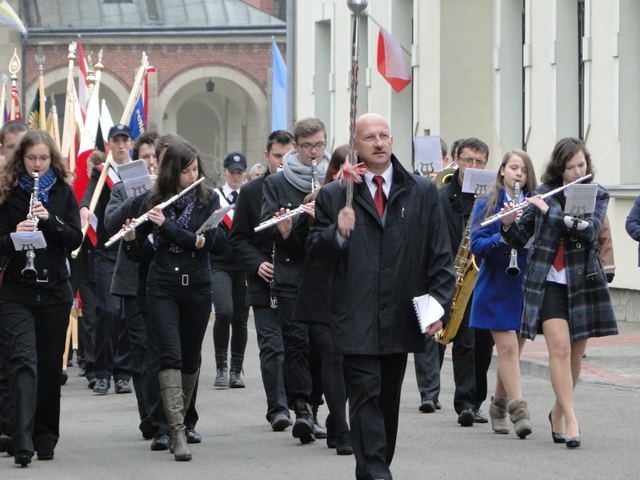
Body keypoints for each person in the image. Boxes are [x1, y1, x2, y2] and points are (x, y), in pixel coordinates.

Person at [308, 113, 455, 479]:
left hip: (400, 314)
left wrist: (439, 305)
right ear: (356, 146)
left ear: (392, 141)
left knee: (387, 401)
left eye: (384, 135)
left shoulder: (421, 191)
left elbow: (439, 254)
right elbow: (315, 254)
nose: (378, 143)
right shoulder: (336, 194)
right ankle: (377, 474)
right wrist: (337, 234)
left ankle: (373, 469)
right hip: (354, 315)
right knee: (365, 395)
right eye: (370, 137)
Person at [500, 137, 618, 448]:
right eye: (571, 167)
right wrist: (509, 223)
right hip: (548, 280)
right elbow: (519, 237)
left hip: (582, 281)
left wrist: (550, 212)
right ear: (559, 169)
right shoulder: (543, 193)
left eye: (582, 165)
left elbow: (588, 230)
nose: (578, 171)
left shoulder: (595, 193)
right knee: (560, 350)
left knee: (576, 354)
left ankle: (557, 412)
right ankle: (572, 420)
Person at [123, 141, 226, 461]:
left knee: (191, 358)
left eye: (195, 169)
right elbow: (138, 254)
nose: (193, 175)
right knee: (169, 354)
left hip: (197, 286)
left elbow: (208, 242)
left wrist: (166, 226)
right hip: (162, 285)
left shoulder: (208, 200)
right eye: (186, 171)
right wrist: (130, 239)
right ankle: (175, 430)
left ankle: (185, 422)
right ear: (173, 173)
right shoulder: (155, 202)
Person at [0, 130, 82, 466]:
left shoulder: (62, 192)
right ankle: (21, 440)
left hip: (54, 290)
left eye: (43, 158)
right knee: (22, 362)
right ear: (21, 158)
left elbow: (74, 238)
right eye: (31, 158)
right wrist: (12, 236)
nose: (37, 164)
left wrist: (50, 220)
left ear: (52, 159)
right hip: (17, 290)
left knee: (49, 367)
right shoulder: (8, 192)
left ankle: (44, 437)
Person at [260, 117, 331, 444]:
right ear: (296, 147)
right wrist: (285, 231)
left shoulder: (333, 178)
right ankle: (301, 408)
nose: (313, 152)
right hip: (290, 275)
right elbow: (267, 227)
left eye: (319, 145)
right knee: (296, 343)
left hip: (325, 276)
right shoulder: (277, 182)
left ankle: (314, 406)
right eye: (307, 146)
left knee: (320, 347)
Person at [229, 130, 295, 431]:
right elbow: (238, 238)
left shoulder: (303, 186)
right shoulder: (251, 191)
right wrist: (257, 264)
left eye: (287, 156)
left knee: (296, 346)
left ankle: (302, 406)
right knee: (271, 346)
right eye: (277, 156)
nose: (281, 162)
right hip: (263, 280)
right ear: (267, 156)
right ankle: (277, 408)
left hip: (295, 279)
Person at [469, 150, 537, 438]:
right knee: (507, 349)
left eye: (523, 169)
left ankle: (497, 407)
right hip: (496, 284)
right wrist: (505, 231)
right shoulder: (487, 203)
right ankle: (519, 412)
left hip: (524, 285)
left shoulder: (535, 203)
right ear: (502, 171)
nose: (518, 173)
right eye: (513, 168)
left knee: (512, 352)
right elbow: (477, 245)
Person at [292, 144, 353, 455]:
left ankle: (334, 419)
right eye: (345, 167)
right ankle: (341, 427)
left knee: (349, 362)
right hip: (320, 291)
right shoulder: (320, 198)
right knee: (331, 357)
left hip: (352, 292)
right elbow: (304, 246)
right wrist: (317, 225)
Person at [438, 137, 494, 426]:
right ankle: (465, 404)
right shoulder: (440, 197)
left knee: (483, 344)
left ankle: (477, 400)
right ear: (456, 160)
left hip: (485, 276)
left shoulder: (493, 199)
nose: (474, 166)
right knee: (465, 341)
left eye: (479, 162)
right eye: (468, 160)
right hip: (454, 275)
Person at [80, 124, 135, 396]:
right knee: (109, 310)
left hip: (131, 249)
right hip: (106, 250)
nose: (121, 145)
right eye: (116, 141)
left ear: (131, 143)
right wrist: (84, 209)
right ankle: (102, 373)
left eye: (125, 140)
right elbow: (88, 197)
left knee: (126, 313)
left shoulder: (138, 172)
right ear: (109, 144)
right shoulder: (101, 172)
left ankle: (123, 373)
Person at [211, 152, 250, 388]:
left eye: (239, 172)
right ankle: (221, 368)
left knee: (241, 318)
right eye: (232, 172)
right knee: (224, 311)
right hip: (219, 263)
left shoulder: (249, 195)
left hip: (243, 265)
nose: (236, 176)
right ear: (225, 171)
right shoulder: (215, 197)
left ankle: (236, 370)